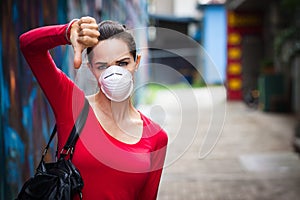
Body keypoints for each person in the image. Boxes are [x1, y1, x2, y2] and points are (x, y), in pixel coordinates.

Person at [19, 16, 168, 199]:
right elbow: (28, 46)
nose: (114, 74)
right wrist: (67, 32)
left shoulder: (156, 137)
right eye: (102, 66)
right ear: (91, 68)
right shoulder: (71, 105)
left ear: (136, 62)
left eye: (122, 63)